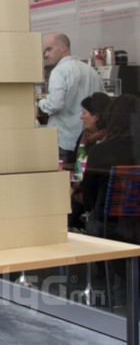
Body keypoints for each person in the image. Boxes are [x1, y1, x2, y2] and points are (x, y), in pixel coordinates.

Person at [82, 94, 140, 303]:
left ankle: (112, 289)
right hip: (134, 226)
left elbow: (88, 200)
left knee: (89, 221)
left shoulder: (100, 151)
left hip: (111, 226)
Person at [37, 33, 103, 163]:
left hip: (64, 140)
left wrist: (40, 102)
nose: (46, 55)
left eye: (49, 49)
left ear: (63, 48)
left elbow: (55, 104)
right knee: (80, 173)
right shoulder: (91, 71)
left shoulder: (59, 71)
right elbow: (102, 100)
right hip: (87, 140)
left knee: (63, 174)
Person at [68, 92, 111, 229]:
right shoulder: (85, 137)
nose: (81, 117)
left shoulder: (106, 142)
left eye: (84, 113)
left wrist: (74, 188)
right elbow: (78, 169)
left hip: (95, 199)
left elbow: (88, 178)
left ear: (96, 116)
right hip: (81, 191)